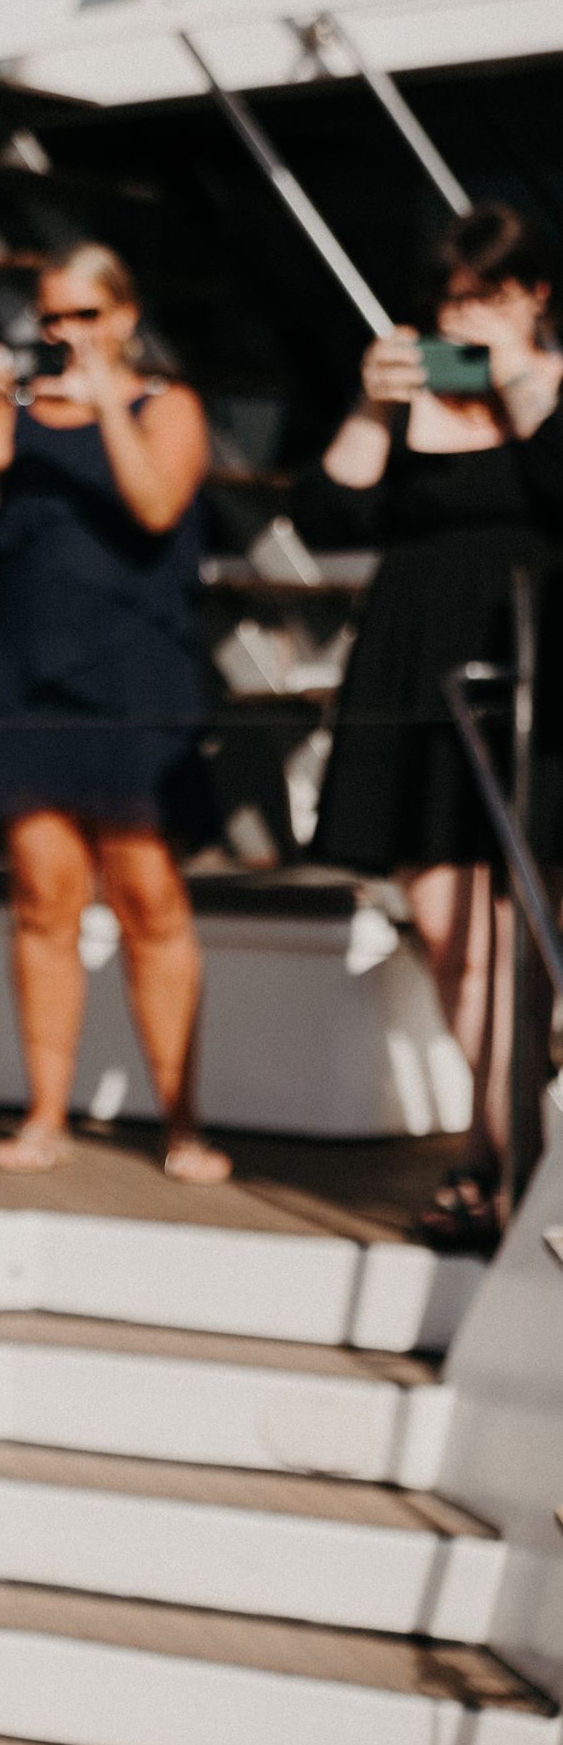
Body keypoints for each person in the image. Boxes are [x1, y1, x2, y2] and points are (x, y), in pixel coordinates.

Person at [0, 245, 227, 1183]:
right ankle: (47, 1113)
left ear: (125, 315)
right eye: (54, 317)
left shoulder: (168, 406)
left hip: (136, 677)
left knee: (148, 894)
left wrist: (105, 395)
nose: (69, 333)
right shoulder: (16, 412)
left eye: (87, 316)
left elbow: (154, 506)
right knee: (43, 897)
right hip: (27, 674)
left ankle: (182, 1121)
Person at [310, 205, 563, 1244]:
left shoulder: (549, 386)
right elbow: (329, 514)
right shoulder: (420, 390)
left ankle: (490, 1153)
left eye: (490, 294)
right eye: (455, 297)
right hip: (419, 663)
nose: (467, 315)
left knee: (527, 945)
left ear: (535, 295)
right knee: (454, 927)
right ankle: (522, 1162)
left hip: (538, 658)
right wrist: (373, 408)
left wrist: (516, 376)